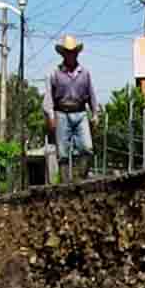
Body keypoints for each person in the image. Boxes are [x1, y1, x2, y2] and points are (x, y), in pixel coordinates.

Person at [47, 34, 98, 181]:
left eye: (73, 52)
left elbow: (91, 95)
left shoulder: (85, 73)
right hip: (61, 113)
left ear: (77, 53)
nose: (70, 55)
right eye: (68, 52)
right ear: (63, 54)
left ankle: (80, 178)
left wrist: (95, 114)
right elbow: (49, 97)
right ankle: (65, 184)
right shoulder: (55, 73)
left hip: (80, 113)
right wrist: (50, 116)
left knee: (87, 148)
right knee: (62, 153)